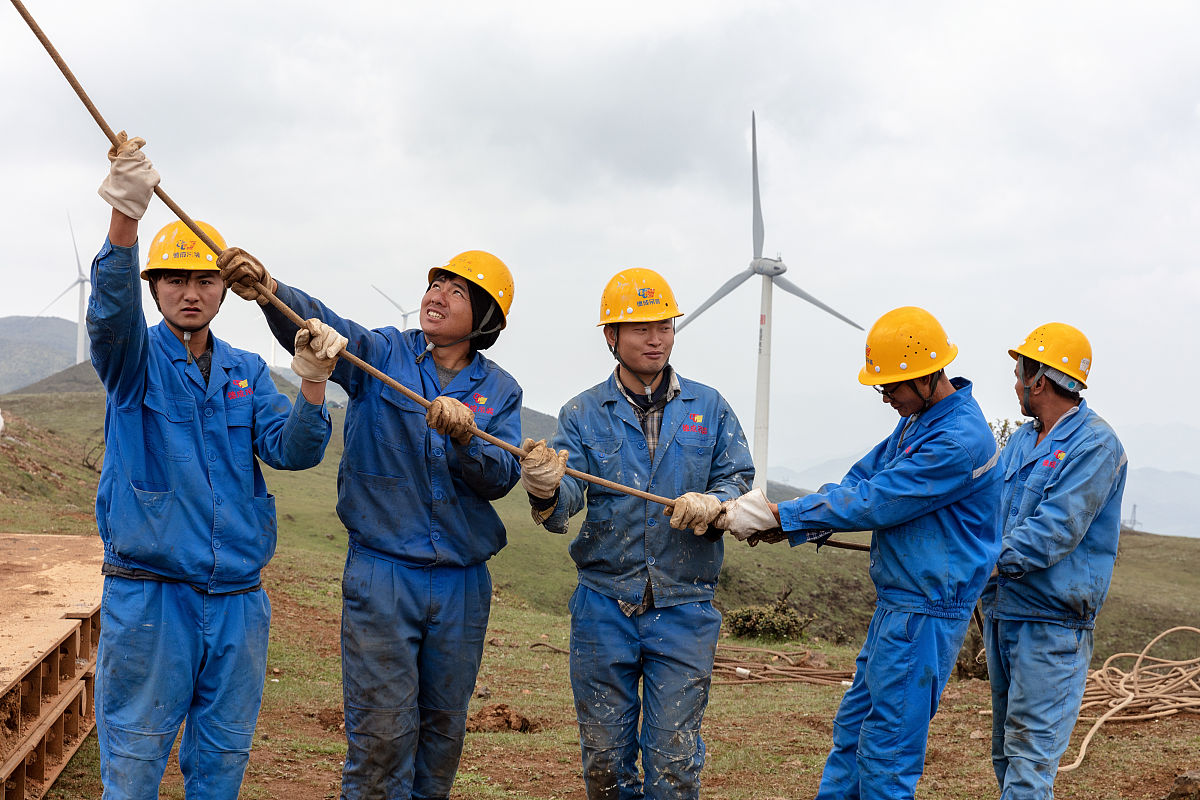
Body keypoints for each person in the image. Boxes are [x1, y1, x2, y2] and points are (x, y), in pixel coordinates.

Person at [218, 245, 522, 799]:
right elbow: (324, 328)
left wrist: (466, 438)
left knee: (442, 732)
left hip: (461, 580)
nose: (438, 296)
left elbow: (501, 477)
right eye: (437, 286)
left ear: (484, 319)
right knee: (381, 734)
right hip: (383, 573)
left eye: (458, 292)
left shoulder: (500, 390)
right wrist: (270, 288)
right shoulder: (383, 352)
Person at [89, 133, 337, 799]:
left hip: (236, 603)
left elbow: (293, 450)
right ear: (157, 287)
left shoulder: (247, 371)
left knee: (222, 767)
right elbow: (109, 313)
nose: (189, 293)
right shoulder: (132, 360)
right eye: (175, 279)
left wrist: (312, 385)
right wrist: (125, 217)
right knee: (135, 765)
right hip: (150, 597)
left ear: (225, 288)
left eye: (204, 279)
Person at [719, 306, 1002, 800]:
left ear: (928, 376)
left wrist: (787, 517)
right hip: (899, 606)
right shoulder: (922, 420)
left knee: (886, 754)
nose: (886, 397)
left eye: (892, 386)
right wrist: (788, 518)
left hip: (926, 611)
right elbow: (863, 479)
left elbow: (879, 499)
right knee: (852, 736)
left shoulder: (956, 440)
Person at [518, 268, 753, 799]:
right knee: (604, 760)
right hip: (605, 604)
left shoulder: (709, 407)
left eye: (665, 327)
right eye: (641, 328)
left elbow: (738, 474)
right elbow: (569, 496)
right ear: (611, 337)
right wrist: (545, 488)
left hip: (686, 605)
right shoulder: (580, 413)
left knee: (674, 760)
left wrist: (716, 499)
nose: (656, 339)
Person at [981, 323, 1127, 798]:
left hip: (1052, 626)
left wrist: (980, 561)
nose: (1016, 383)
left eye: (1018, 372)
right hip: (1005, 613)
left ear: (1038, 380)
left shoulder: (1096, 445)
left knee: (1030, 758)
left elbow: (1054, 531)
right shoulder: (1024, 439)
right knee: (1006, 750)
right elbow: (989, 510)